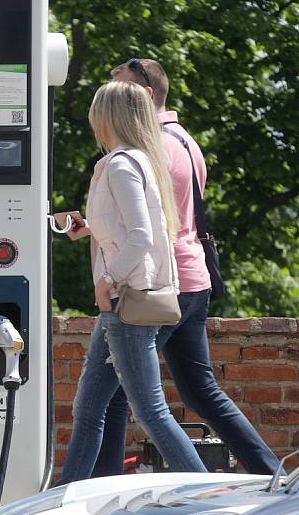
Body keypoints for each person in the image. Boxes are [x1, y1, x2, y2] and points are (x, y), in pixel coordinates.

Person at [78, 58, 279, 477]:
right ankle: (269, 471)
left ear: (144, 95)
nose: (114, 93)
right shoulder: (186, 142)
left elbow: (146, 229)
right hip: (194, 279)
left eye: (121, 86)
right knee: (199, 391)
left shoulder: (147, 151)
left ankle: (104, 486)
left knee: (121, 398)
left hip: (154, 284)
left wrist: (111, 274)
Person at [55, 80, 207, 486]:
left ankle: (209, 496)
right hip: (119, 306)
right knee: (88, 412)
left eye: (95, 112)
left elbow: (140, 235)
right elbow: (133, 228)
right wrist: (88, 229)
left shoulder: (122, 165)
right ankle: (64, 500)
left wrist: (107, 280)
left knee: (151, 413)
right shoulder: (138, 161)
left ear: (106, 117)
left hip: (127, 302)